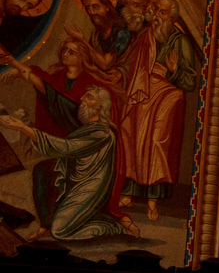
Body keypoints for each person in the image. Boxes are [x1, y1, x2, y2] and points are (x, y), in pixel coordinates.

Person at [0, 86, 129, 241]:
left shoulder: (102, 133)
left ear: (100, 106)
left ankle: (112, 226)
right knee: (42, 169)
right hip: (73, 180)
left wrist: (24, 128)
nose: (82, 99)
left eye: (89, 97)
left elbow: (67, 148)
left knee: (60, 231)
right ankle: (45, 226)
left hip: (89, 186)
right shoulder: (88, 128)